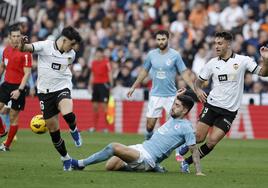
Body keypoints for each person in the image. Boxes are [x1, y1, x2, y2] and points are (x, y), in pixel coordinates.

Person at [178, 31, 268, 173]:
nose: (216, 46)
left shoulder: (243, 60)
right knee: (199, 137)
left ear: (228, 44)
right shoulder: (212, 63)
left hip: (229, 112)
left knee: (212, 142)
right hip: (212, 105)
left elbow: (264, 73)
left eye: (220, 43)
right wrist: (198, 90)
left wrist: (265, 59)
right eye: (215, 43)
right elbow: (198, 82)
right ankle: (180, 145)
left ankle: (186, 162)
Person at [71, 88, 205, 176]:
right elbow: (173, 106)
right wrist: (176, 96)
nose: (173, 107)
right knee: (110, 166)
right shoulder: (173, 118)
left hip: (147, 157)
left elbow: (193, 149)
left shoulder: (186, 127)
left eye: (177, 106)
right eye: (174, 104)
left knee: (113, 147)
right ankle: (152, 168)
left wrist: (198, 172)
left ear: (185, 111)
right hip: (141, 148)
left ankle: (80, 164)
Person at [19, 26, 83, 171]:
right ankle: (65, 158)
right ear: (64, 40)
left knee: (67, 113)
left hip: (62, 87)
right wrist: (23, 43)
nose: (73, 48)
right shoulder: (45, 46)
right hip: (45, 93)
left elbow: (64, 68)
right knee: (54, 131)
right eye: (72, 44)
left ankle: (74, 130)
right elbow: (25, 49)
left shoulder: (71, 54)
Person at [127, 30, 202, 140]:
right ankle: (148, 143)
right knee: (149, 126)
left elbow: (184, 73)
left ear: (168, 39)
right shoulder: (151, 55)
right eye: (158, 39)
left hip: (171, 95)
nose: (161, 42)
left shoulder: (175, 55)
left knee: (175, 125)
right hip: (155, 94)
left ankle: (178, 153)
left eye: (163, 39)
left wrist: (194, 88)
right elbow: (144, 71)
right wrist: (134, 86)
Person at [0, 25, 32, 151]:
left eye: (18, 36)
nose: (16, 38)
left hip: (19, 87)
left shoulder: (25, 53)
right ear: (9, 37)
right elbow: (2, 67)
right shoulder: (6, 50)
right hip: (6, 84)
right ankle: (2, 131)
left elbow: (27, 73)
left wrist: (19, 90)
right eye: (13, 36)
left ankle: (7, 145)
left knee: (13, 116)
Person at [88, 47, 113, 132]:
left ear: (102, 53)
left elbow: (110, 73)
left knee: (104, 107)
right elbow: (92, 74)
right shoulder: (93, 63)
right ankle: (94, 127)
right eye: (97, 53)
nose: (98, 54)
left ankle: (106, 127)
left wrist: (111, 86)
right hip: (96, 85)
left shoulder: (106, 62)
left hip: (104, 85)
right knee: (95, 107)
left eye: (99, 52)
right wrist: (90, 85)